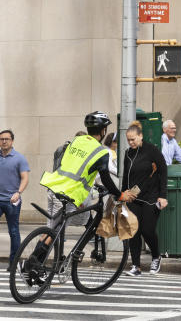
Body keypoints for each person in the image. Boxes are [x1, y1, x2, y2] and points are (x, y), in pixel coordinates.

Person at [33, 112, 124, 269]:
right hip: (70, 193)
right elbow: (107, 179)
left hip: (54, 186)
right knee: (54, 232)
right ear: (103, 130)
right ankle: (33, 264)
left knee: (54, 229)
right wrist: (120, 194)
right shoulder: (100, 151)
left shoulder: (75, 141)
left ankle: (43, 263)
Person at [120, 121, 168, 276]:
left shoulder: (152, 150)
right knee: (133, 231)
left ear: (140, 136)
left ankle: (156, 256)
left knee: (147, 230)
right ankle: (136, 266)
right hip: (133, 197)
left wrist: (163, 196)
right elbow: (126, 177)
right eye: (128, 139)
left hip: (151, 196)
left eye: (133, 139)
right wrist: (122, 195)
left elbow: (163, 172)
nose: (131, 142)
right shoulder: (128, 154)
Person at [0, 129, 30, 271]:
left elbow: (25, 177)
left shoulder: (19, 158)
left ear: (12, 141)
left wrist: (18, 192)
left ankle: (14, 263)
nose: (4, 141)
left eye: (7, 139)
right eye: (1, 139)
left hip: (12, 201)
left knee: (13, 231)